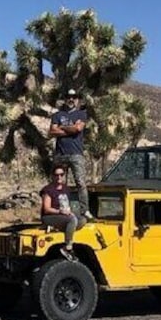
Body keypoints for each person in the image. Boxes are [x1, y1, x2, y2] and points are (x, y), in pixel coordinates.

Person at [49, 89, 93, 221]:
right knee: (59, 183)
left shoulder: (81, 114)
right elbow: (52, 131)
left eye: (74, 97)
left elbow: (78, 129)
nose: (71, 99)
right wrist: (70, 129)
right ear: (65, 98)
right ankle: (61, 210)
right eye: (69, 97)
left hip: (76, 153)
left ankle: (84, 210)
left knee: (80, 182)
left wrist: (61, 127)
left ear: (77, 99)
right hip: (60, 153)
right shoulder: (58, 114)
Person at [39, 165, 79, 250]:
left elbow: (68, 205)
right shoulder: (48, 190)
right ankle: (68, 244)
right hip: (50, 216)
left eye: (61, 174)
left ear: (64, 175)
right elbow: (46, 209)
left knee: (82, 220)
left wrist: (70, 212)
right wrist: (60, 212)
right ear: (53, 176)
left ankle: (61, 227)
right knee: (72, 220)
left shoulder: (66, 189)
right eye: (56, 175)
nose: (59, 177)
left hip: (63, 216)